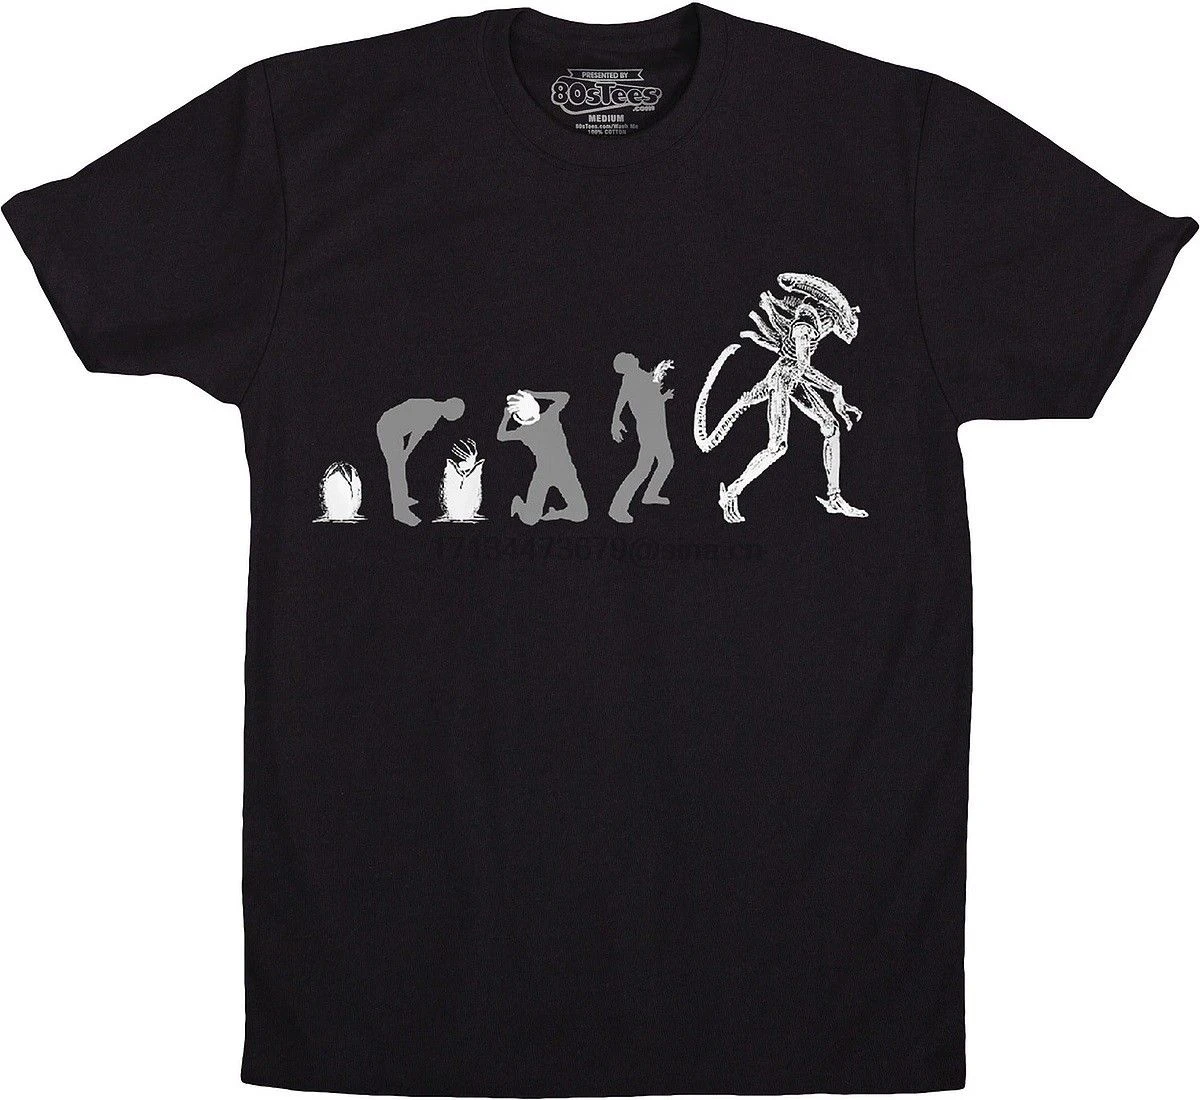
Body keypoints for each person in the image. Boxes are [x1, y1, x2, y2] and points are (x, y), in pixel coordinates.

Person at [497, 389, 588, 524]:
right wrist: (535, 394)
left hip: (564, 470)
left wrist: (506, 416)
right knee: (530, 519)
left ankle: (554, 514)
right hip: (544, 473)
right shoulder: (548, 417)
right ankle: (519, 504)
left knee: (581, 514)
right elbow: (564, 396)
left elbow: (501, 435)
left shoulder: (543, 420)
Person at [608, 352, 675, 523]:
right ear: (628, 365)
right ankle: (618, 508)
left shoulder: (641, 376)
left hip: (657, 426)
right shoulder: (632, 379)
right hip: (650, 428)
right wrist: (615, 420)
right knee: (643, 468)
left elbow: (650, 400)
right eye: (629, 357)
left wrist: (663, 397)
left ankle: (650, 494)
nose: (633, 356)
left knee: (666, 461)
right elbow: (623, 401)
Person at [376, 396, 464, 524]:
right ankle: (400, 512)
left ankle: (402, 498)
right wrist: (407, 452)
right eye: (456, 415)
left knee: (400, 467)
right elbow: (417, 434)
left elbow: (416, 429)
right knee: (396, 469)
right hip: (388, 429)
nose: (454, 419)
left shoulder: (433, 407)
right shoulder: (431, 411)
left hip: (395, 430)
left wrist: (406, 453)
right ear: (451, 409)